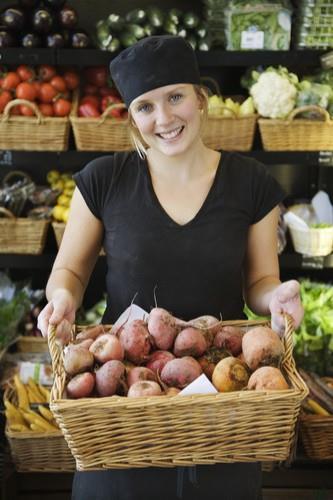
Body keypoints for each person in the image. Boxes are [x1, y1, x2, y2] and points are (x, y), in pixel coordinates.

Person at [38, 35, 304, 500]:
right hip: (123, 408)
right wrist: (62, 298)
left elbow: (260, 281)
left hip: (222, 409)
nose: (163, 119)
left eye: (176, 97)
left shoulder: (251, 184)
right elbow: (71, 273)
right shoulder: (103, 180)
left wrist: (275, 297)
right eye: (145, 106)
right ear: (131, 117)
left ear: (201, 99)